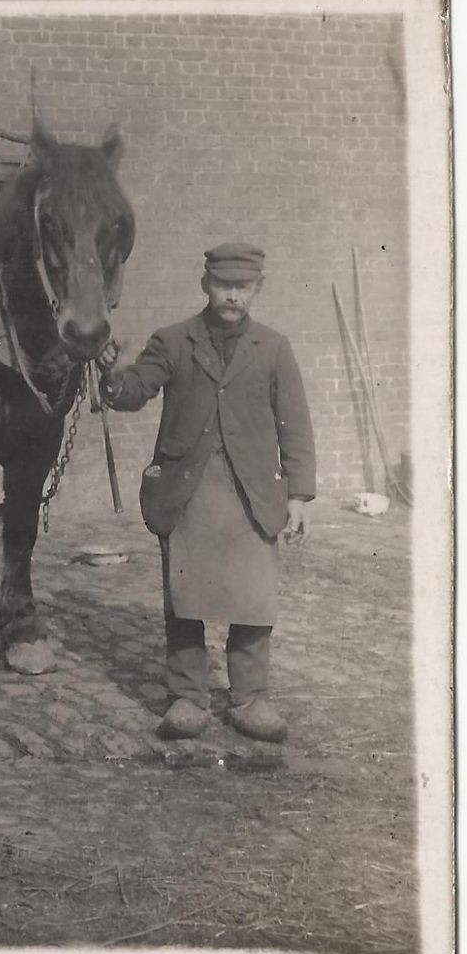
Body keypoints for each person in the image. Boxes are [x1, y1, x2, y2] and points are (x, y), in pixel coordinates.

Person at [98, 243, 314, 743]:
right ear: (205, 285)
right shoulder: (173, 342)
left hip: (253, 492)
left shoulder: (274, 348)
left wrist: (300, 496)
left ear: (257, 289)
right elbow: (133, 392)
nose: (232, 295)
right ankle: (187, 697)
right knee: (185, 595)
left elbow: (296, 425)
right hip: (188, 488)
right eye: (223, 285)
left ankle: (251, 698)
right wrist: (111, 374)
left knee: (253, 598)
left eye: (243, 286)